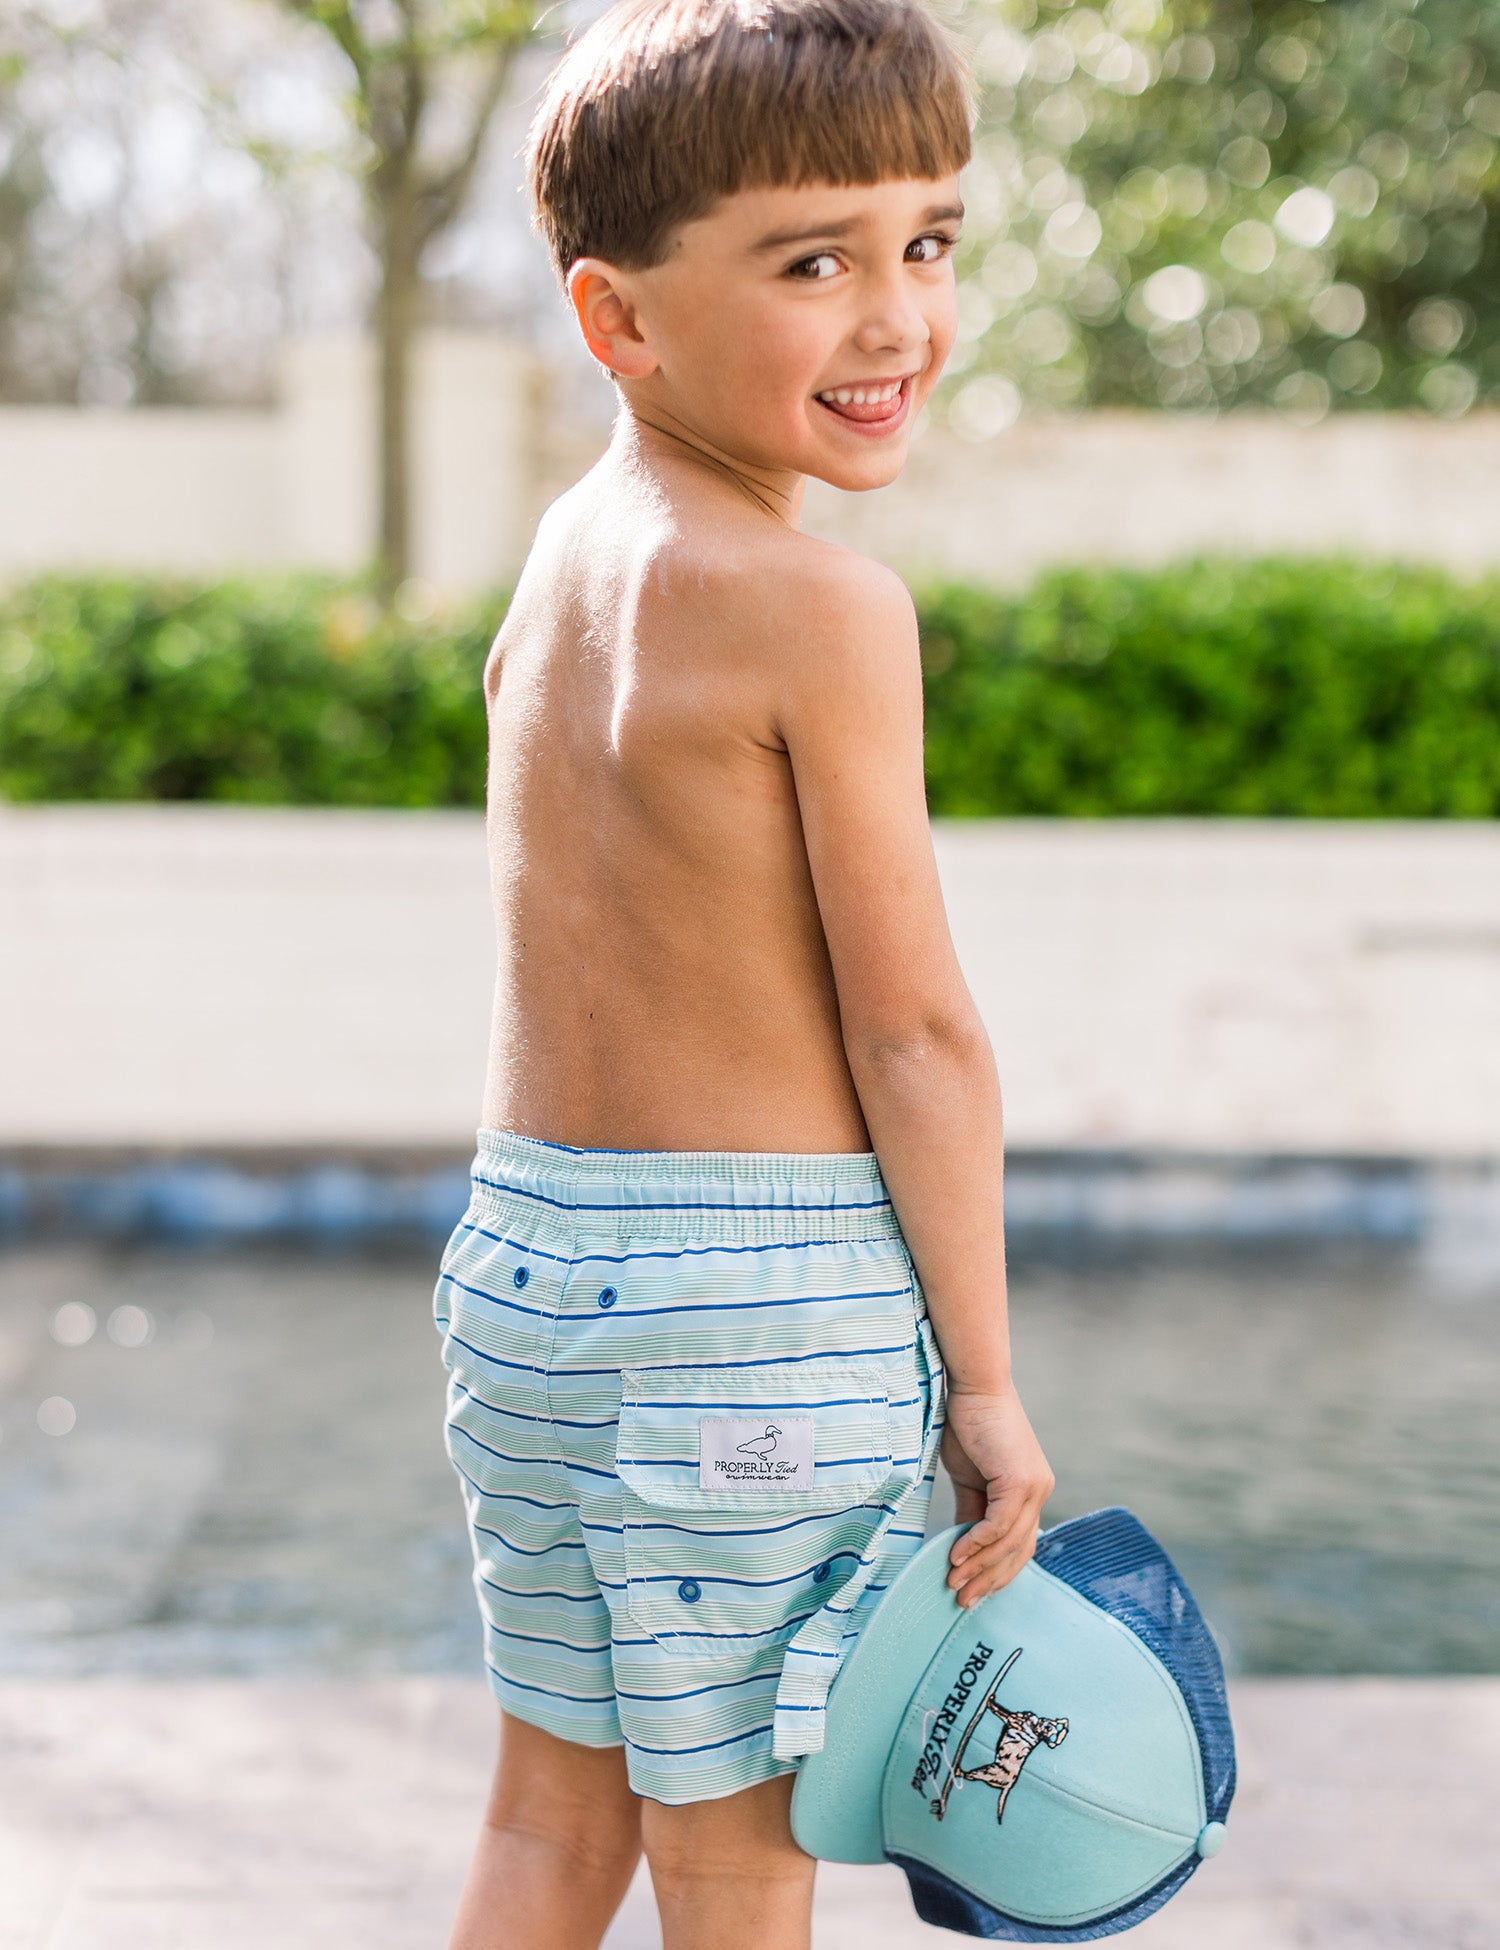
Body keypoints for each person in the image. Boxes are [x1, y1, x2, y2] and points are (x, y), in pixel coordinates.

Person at [431, 3, 1054, 1944]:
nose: (896, 319)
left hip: (527, 1277)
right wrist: (990, 1383)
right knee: (735, 1849)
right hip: (758, 1312)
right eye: (815, 263)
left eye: (927, 242)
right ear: (617, 321)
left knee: (554, 1818)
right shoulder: (817, 607)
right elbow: (918, 1029)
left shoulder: (564, 559)